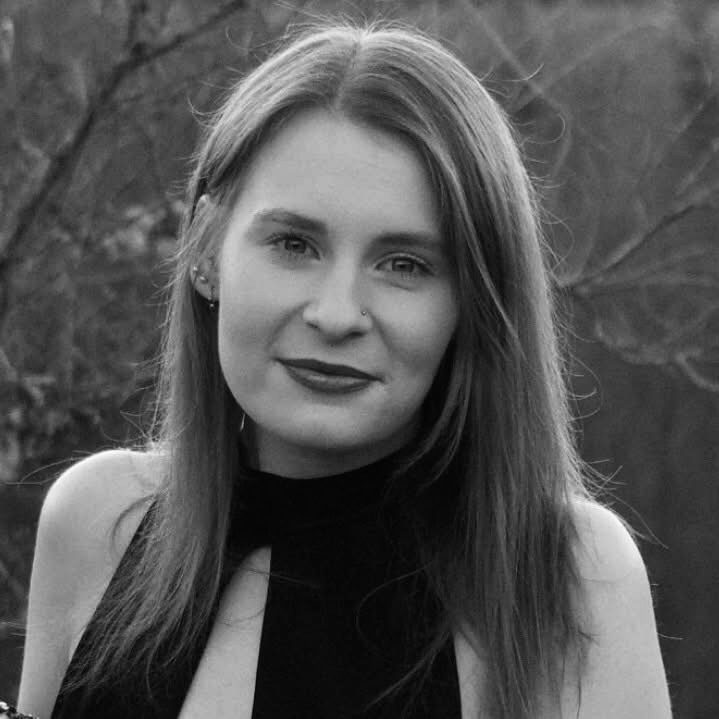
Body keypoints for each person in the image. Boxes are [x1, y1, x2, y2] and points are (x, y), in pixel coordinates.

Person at [15, 21, 672, 719]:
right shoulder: (99, 524)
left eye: (404, 265)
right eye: (294, 243)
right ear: (207, 250)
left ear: (474, 301)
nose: (336, 314)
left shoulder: (567, 577)